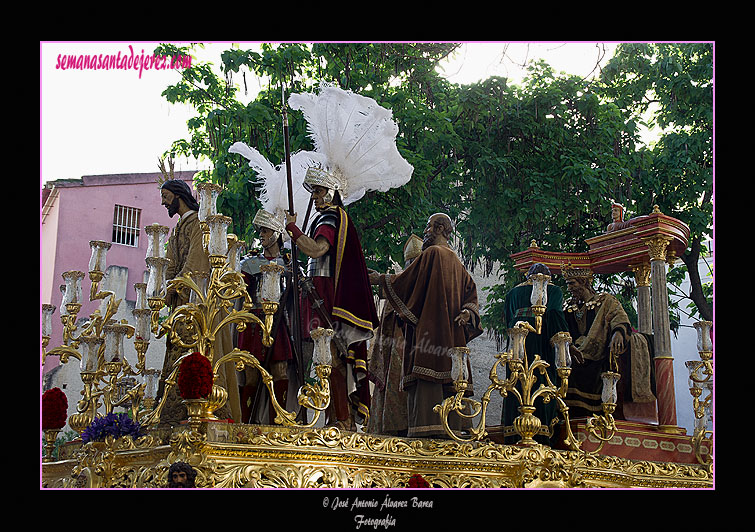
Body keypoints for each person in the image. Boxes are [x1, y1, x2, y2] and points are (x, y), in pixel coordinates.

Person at [371, 213, 483, 439]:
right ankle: (452, 429)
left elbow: (407, 282)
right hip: (451, 336)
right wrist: (467, 312)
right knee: (452, 378)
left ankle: (426, 432)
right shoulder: (456, 261)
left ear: (440, 229)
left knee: (426, 375)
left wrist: (380, 279)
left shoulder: (431, 254)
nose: (425, 231)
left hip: (430, 333)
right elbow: (472, 293)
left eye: (429, 226)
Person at [285, 168, 379, 431]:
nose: (314, 197)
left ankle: (342, 419)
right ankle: (335, 416)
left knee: (333, 359)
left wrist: (292, 228)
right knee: (325, 358)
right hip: (318, 293)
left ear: (332, 191)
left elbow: (317, 249)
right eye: (313, 191)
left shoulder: (330, 217)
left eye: (318, 191)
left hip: (326, 296)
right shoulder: (327, 217)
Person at [155, 179, 241, 427]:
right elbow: (170, 263)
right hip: (179, 304)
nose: (163, 202)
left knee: (200, 350)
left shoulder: (198, 225)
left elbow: (196, 262)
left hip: (197, 303)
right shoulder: (178, 228)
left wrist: (180, 285)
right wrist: (163, 287)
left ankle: (204, 409)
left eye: (166, 196)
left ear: (178, 196)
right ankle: (174, 414)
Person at [562, 266, 656, 420]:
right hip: (572, 352)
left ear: (583, 282)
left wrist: (618, 333)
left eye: (572, 284)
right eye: (568, 284)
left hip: (599, 354)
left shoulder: (605, 301)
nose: (569, 288)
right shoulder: (567, 306)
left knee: (584, 370)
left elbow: (619, 318)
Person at [499, 263, 569, 445]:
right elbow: (555, 318)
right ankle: (541, 431)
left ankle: (514, 431)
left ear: (527, 275)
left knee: (516, 382)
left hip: (517, 342)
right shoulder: (553, 292)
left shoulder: (512, 293)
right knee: (542, 381)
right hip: (541, 341)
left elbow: (508, 320)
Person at [237, 211, 295, 424]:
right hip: (255, 320)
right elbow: (239, 291)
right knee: (251, 373)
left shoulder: (290, 265)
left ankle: (276, 423)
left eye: (265, 229)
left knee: (280, 371)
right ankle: (246, 424)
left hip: (280, 323)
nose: (261, 234)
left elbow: (297, 298)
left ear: (277, 232)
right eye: (260, 230)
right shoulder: (250, 263)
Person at [366, 234, 423, 437]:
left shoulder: (429, 283)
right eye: (408, 263)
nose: (411, 267)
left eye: (415, 263)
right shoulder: (398, 284)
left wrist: (381, 280)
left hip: (419, 349)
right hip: (396, 348)